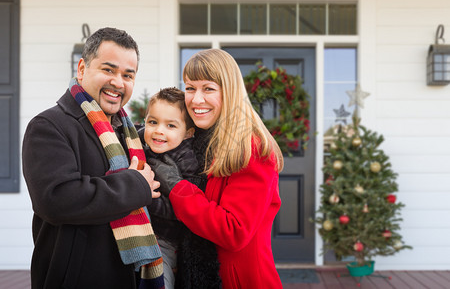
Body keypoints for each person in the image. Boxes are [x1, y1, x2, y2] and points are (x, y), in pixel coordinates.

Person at [22, 27, 164, 289]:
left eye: (127, 75)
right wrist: (135, 185)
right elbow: (56, 199)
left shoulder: (129, 133)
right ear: (82, 68)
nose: (118, 82)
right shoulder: (48, 126)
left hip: (130, 277)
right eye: (108, 70)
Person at [150, 49, 284, 289]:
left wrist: (176, 186)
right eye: (190, 88)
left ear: (229, 91)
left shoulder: (251, 148)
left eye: (208, 88)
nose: (196, 99)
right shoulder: (196, 141)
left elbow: (233, 231)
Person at [139, 87, 196, 289]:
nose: (159, 130)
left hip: (165, 240)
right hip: (140, 232)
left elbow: (182, 210)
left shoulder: (186, 159)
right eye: (153, 122)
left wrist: (146, 198)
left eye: (171, 125)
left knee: (159, 281)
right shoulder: (139, 144)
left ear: (188, 133)